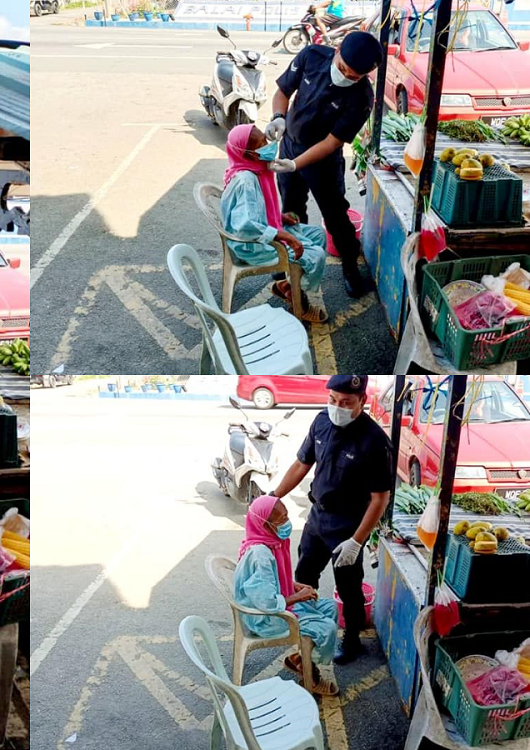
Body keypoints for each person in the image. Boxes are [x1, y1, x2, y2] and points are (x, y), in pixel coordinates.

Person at [271, 375, 393, 664]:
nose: (337, 407)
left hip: (349, 525)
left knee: (349, 589)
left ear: (362, 401)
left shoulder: (375, 441)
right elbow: (302, 463)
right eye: (333, 400)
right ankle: (306, 632)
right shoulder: (321, 422)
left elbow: (380, 499)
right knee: (303, 579)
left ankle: (352, 641)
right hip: (317, 518)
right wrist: (273, 496)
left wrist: (356, 542)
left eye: (346, 402)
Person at [264, 31, 384, 298]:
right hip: (290, 144)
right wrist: (278, 118)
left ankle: (350, 266)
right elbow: (283, 91)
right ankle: (293, 258)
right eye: (343, 68)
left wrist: (295, 165)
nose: (346, 76)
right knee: (292, 209)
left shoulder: (362, 97)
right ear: (337, 49)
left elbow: (331, 143)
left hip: (323, 162)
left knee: (335, 217)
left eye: (355, 75)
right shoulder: (312, 55)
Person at [221, 124, 328, 323]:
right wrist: (284, 235)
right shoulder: (246, 180)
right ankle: (299, 301)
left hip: (263, 230)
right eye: (262, 143)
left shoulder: (255, 170)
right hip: (252, 245)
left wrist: (279, 218)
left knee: (317, 234)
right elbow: (245, 224)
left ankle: (289, 287)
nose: (268, 144)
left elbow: (255, 210)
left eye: (265, 139)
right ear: (249, 153)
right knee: (316, 255)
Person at [234, 495, 339, 695]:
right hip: (265, 618)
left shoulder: (267, 543)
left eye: (286, 516)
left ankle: (302, 658)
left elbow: (271, 583)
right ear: (265, 525)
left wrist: (296, 586)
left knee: (329, 607)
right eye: (280, 520)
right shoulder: (261, 555)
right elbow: (267, 602)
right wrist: (299, 597)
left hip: (273, 603)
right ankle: (311, 675)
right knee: (327, 628)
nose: (287, 523)